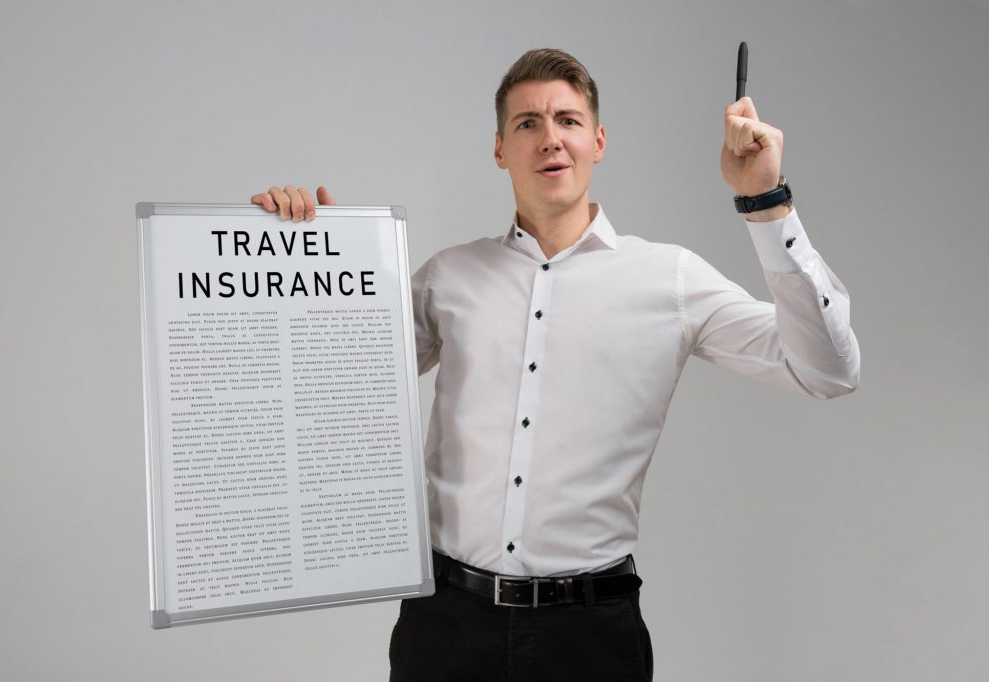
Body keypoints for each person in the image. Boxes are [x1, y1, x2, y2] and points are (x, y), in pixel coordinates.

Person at [251, 48, 859, 682]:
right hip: (446, 628)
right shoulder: (448, 278)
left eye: (568, 121)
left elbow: (828, 370)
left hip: (590, 636)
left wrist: (766, 200)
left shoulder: (668, 279)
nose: (550, 140)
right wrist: (298, 258)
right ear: (499, 149)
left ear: (597, 141)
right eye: (527, 124)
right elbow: (325, 386)